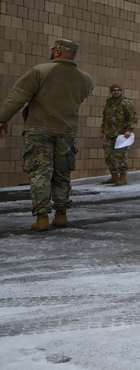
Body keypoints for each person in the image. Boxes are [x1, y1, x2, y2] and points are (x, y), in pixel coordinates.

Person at [0, 39, 94, 231]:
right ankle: (61, 215)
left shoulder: (40, 71)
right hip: (67, 132)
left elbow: (17, 97)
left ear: (57, 52)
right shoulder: (85, 79)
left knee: (40, 173)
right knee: (62, 173)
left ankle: (42, 217)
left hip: (39, 130)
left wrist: (2, 119)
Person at [99, 84, 137, 185]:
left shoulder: (126, 103)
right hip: (109, 134)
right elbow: (105, 119)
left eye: (118, 90)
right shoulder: (109, 103)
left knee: (121, 157)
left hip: (122, 135)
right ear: (111, 92)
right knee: (109, 156)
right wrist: (102, 131)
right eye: (114, 90)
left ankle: (122, 177)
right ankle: (114, 176)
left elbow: (133, 117)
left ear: (121, 91)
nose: (116, 92)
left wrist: (129, 130)